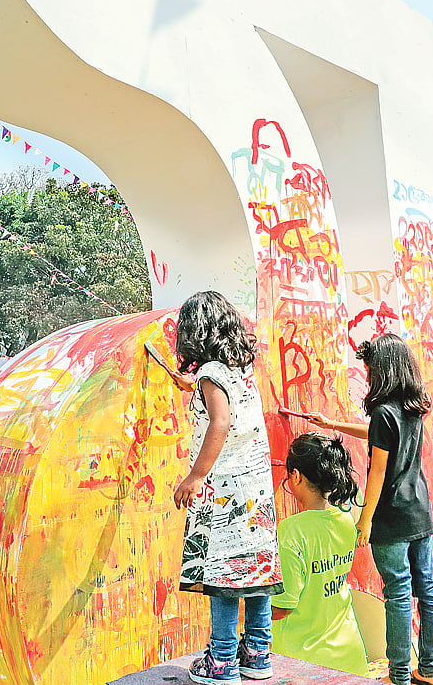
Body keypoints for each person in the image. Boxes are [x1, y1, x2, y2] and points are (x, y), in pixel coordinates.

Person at [311, 334, 433, 685]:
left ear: (384, 370)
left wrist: (365, 520)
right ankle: (430, 669)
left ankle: (398, 675)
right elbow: (379, 435)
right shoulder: (413, 406)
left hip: (392, 517)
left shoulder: (385, 413)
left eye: (370, 369)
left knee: (398, 593)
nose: (368, 376)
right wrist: (333, 425)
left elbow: (378, 471)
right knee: (427, 589)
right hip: (420, 511)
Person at [168, 291, 282, 685]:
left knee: (224, 577)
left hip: (226, 494)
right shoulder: (239, 368)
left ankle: (221, 660)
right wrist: (193, 387)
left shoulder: (210, 374)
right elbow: (229, 407)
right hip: (256, 491)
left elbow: (220, 422)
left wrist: (196, 475)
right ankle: (258, 654)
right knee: (256, 573)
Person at [270, 433, 368, 676]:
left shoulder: (291, 531)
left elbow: (284, 606)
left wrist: (243, 604)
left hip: (306, 666)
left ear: (296, 476)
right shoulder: (346, 519)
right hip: (352, 659)